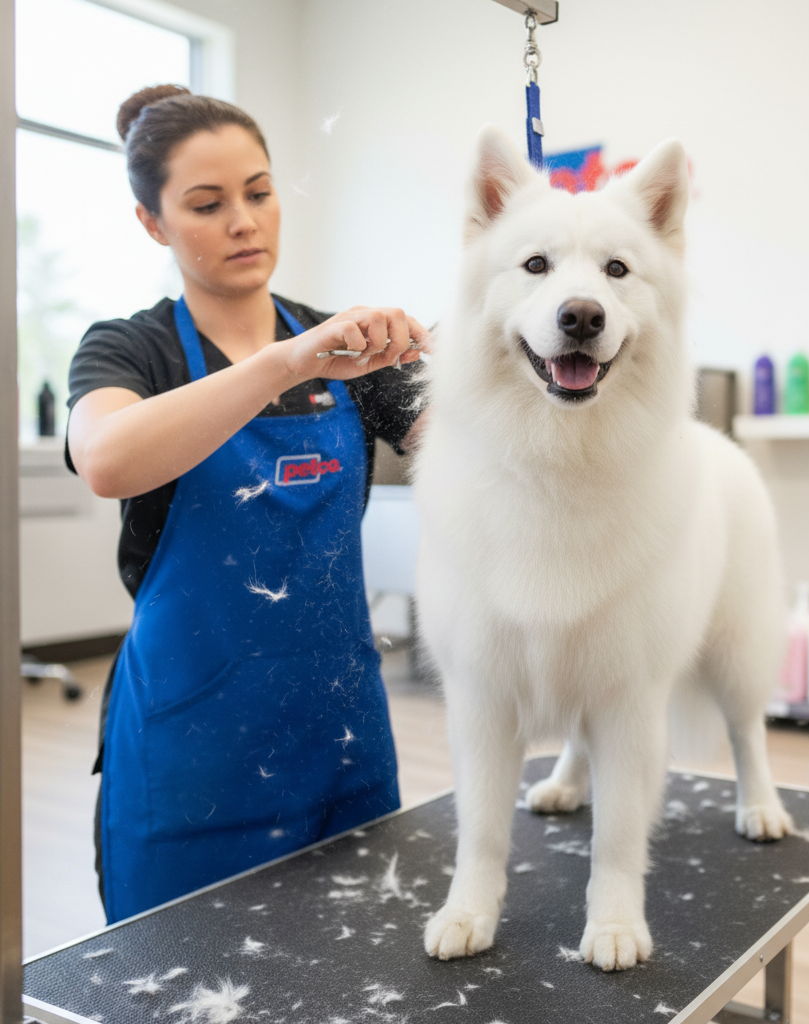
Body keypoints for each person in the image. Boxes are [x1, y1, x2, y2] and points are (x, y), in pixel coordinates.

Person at [66, 85, 429, 924]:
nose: (244, 221)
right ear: (152, 223)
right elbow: (108, 459)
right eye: (207, 204)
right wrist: (288, 362)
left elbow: (485, 458)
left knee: (354, 972)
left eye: (259, 193)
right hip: (191, 753)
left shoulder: (351, 348)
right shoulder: (132, 347)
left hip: (342, 740)